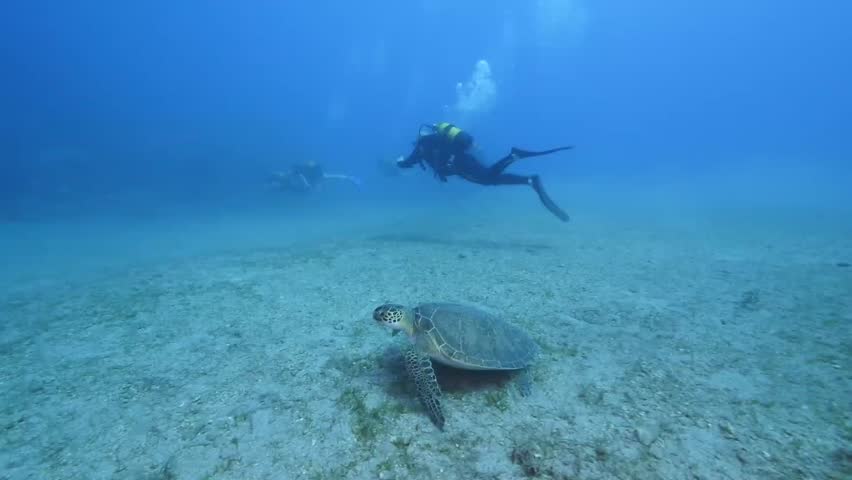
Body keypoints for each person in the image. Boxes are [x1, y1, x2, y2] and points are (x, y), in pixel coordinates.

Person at [396, 122, 573, 222]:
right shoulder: (431, 142)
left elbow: (408, 162)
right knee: (491, 179)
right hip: (463, 161)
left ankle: (514, 156)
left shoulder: (422, 146)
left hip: (460, 165)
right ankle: (529, 181)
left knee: (488, 179)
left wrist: (399, 162)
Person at [269, 161, 361, 193]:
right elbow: (301, 176)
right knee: (331, 177)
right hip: (312, 175)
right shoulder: (296, 171)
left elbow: (301, 176)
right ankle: (351, 178)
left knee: (330, 177)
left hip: (312, 176)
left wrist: (307, 184)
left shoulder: (295, 171)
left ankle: (351, 179)